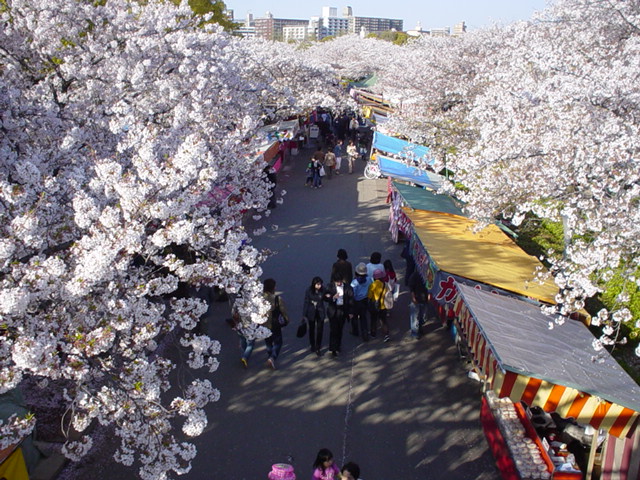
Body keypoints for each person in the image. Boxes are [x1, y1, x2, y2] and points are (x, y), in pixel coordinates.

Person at [324, 271, 354, 357]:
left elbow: (351, 300)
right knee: (333, 329)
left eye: (340, 281)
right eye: (337, 282)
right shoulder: (330, 287)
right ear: (334, 281)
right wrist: (333, 298)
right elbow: (325, 297)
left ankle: (338, 345)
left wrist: (351, 312)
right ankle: (333, 348)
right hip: (333, 310)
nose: (339, 283)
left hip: (342, 310)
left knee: (340, 329)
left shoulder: (348, 288)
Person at [263, 278, 289, 370]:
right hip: (274, 324)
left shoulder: (260, 298)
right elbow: (283, 311)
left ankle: (270, 355)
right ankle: (272, 357)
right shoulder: (277, 299)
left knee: (268, 341)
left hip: (264, 324)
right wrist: (286, 320)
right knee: (278, 341)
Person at [303, 276, 327, 356]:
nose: (319, 286)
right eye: (318, 284)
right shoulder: (309, 291)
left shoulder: (323, 290)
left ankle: (318, 347)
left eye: (320, 284)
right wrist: (304, 314)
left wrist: (329, 297)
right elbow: (306, 302)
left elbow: (326, 298)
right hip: (311, 312)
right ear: (314, 284)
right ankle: (312, 344)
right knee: (312, 329)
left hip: (320, 311)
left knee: (320, 330)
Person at [350, 262, 371, 340]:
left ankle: (355, 331)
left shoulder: (354, 283)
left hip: (356, 301)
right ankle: (365, 333)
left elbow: (353, 294)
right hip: (365, 300)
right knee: (363, 317)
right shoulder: (368, 279)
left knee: (354, 317)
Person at [367, 269, 390, 342]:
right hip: (383, 306)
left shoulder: (372, 285)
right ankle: (386, 335)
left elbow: (369, 296)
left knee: (373, 320)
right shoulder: (385, 284)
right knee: (383, 321)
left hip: (374, 306)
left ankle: (373, 333)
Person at [408, 270, 428, 339]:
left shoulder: (427, 275)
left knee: (422, 316)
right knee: (415, 317)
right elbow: (411, 288)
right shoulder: (414, 276)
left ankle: (420, 328)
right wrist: (413, 298)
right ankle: (415, 333)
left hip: (424, 299)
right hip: (416, 299)